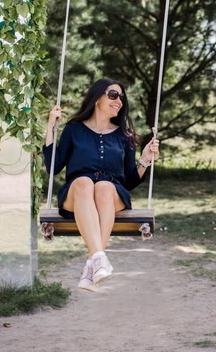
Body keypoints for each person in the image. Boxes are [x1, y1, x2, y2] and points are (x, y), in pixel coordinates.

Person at [44, 78, 160, 292]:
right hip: (77, 194)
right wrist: (50, 126)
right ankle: (98, 260)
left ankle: (93, 263)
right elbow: (53, 167)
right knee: (84, 182)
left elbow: (130, 181)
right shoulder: (73, 130)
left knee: (104, 186)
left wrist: (144, 160)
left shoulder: (124, 136)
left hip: (111, 194)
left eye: (121, 97)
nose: (119, 101)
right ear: (97, 98)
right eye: (113, 95)